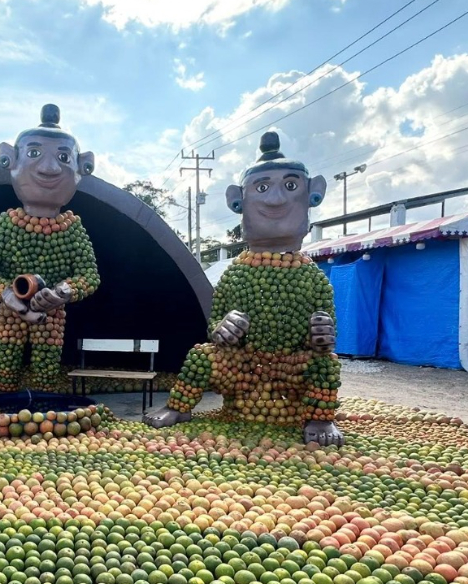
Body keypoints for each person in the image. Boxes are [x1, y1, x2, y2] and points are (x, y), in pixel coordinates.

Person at [145, 132, 343, 445]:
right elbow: (214, 325)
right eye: (261, 188)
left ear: (312, 195)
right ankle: (178, 407)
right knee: (202, 356)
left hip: (294, 365)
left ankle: (320, 417)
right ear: (239, 200)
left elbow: (326, 339)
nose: (275, 200)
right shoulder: (237, 273)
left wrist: (321, 336)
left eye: (290, 186)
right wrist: (223, 330)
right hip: (245, 365)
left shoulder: (313, 277)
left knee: (325, 364)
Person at [0, 104, 100, 391]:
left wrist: (61, 292)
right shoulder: (6, 224)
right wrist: (7, 295)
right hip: (9, 315)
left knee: (45, 377)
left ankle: (43, 414)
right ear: (9, 159)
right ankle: (5, 411)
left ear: (83, 166)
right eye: (34, 153)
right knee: (6, 372)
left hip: (51, 317)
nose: (49, 168)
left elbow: (90, 275)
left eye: (63, 157)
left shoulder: (72, 229)